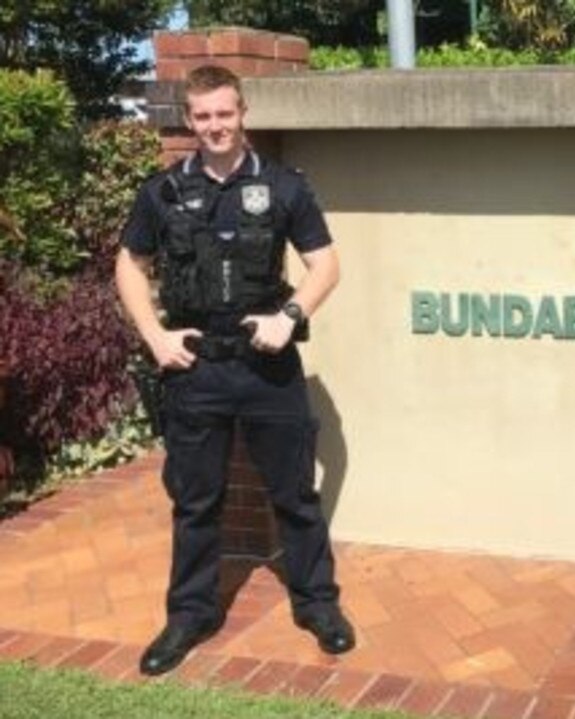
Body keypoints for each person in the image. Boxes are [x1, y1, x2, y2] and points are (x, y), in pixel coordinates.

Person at [115, 65, 355, 676]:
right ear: (190, 120)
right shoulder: (161, 193)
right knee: (196, 501)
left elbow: (325, 265)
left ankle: (317, 604)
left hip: (267, 365)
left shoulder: (283, 186)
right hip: (194, 370)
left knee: (294, 495)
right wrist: (154, 336)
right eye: (204, 117)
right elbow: (129, 266)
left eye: (225, 113)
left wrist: (290, 314)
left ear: (242, 111)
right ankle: (189, 615)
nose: (216, 126)